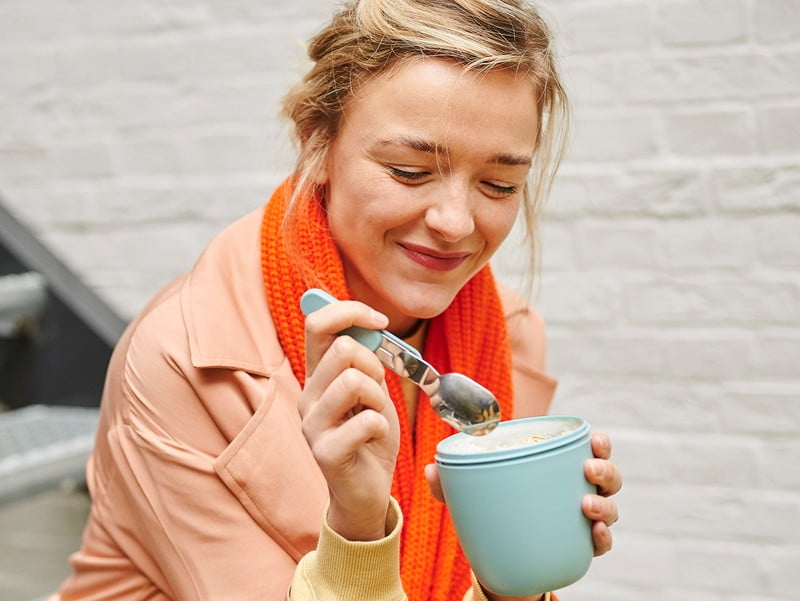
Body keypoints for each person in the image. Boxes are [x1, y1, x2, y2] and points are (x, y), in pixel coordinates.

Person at [51, 1, 622, 600]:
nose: (455, 222)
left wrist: (521, 570)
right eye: (408, 171)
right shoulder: (183, 360)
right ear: (316, 144)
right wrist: (356, 525)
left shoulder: (505, 337)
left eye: (499, 185)